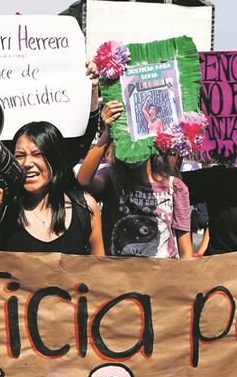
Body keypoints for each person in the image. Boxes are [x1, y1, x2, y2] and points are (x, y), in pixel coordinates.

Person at [77, 100, 193, 259]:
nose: (132, 148)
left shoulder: (175, 187)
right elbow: (83, 180)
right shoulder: (112, 178)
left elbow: (186, 252)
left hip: (161, 278)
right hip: (121, 278)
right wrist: (109, 132)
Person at [0, 121, 105, 255]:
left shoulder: (85, 207)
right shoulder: (3, 209)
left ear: (55, 158)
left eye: (37, 154)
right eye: (20, 156)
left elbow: (99, 270)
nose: (27, 163)